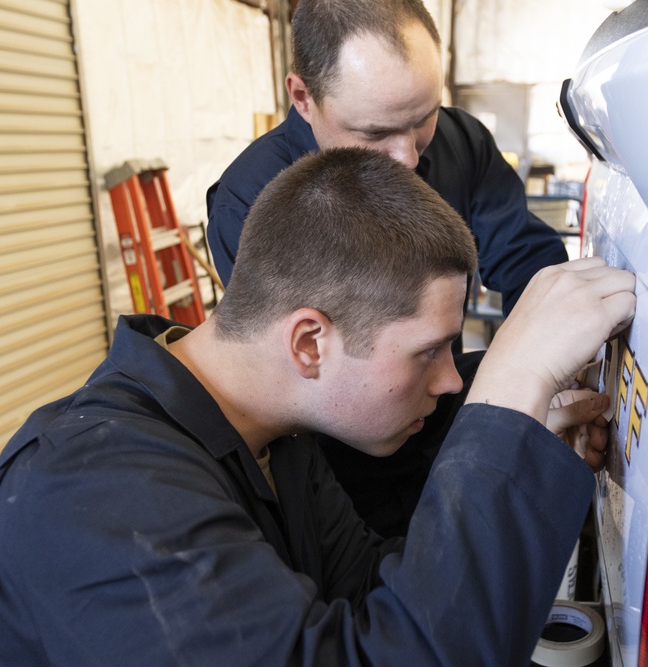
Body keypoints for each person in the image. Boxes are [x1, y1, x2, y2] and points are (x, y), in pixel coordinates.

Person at [0, 148, 636, 666]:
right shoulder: (94, 494)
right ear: (310, 342)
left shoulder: (272, 437)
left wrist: (521, 465)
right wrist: (506, 401)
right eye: (426, 351)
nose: (451, 381)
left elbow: (374, 598)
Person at [206, 0, 572, 538]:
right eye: (375, 133)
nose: (406, 157)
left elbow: (526, 260)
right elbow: (303, 389)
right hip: (340, 476)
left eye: (423, 116)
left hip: (439, 427)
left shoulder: (460, 142)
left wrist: (551, 367)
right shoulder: (251, 199)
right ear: (304, 98)